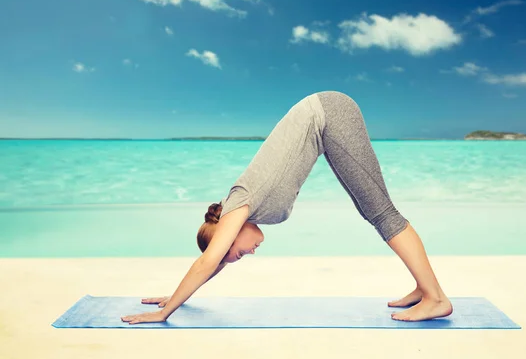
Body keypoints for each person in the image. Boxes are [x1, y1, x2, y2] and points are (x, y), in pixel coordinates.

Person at [121, 91, 453, 325]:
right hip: (324, 122)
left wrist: (165, 313)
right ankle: (425, 288)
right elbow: (215, 262)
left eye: (237, 253)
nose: (248, 254)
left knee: (382, 213)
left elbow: (208, 261)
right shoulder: (240, 213)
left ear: (226, 232)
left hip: (328, 112)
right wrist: (177, 296)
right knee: (373, 212)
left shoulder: (239, 202)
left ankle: (437, 299)